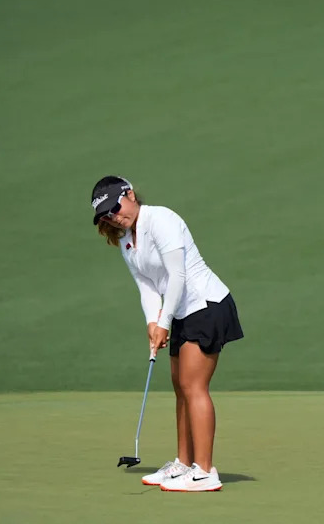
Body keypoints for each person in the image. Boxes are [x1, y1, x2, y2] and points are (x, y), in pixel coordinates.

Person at [91, 176, 243, 492]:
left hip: (207, 304)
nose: (114, 217)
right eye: (107, 215)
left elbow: (178, 275)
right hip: (182, 312)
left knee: (193, 385)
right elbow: (147, 286)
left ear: (130, 194)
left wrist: (164, 321)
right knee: (180, 387)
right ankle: (183, 463)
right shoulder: (126, 242)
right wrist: (152, 321)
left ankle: (204, 471)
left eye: (115, 208)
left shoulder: (161, 219)